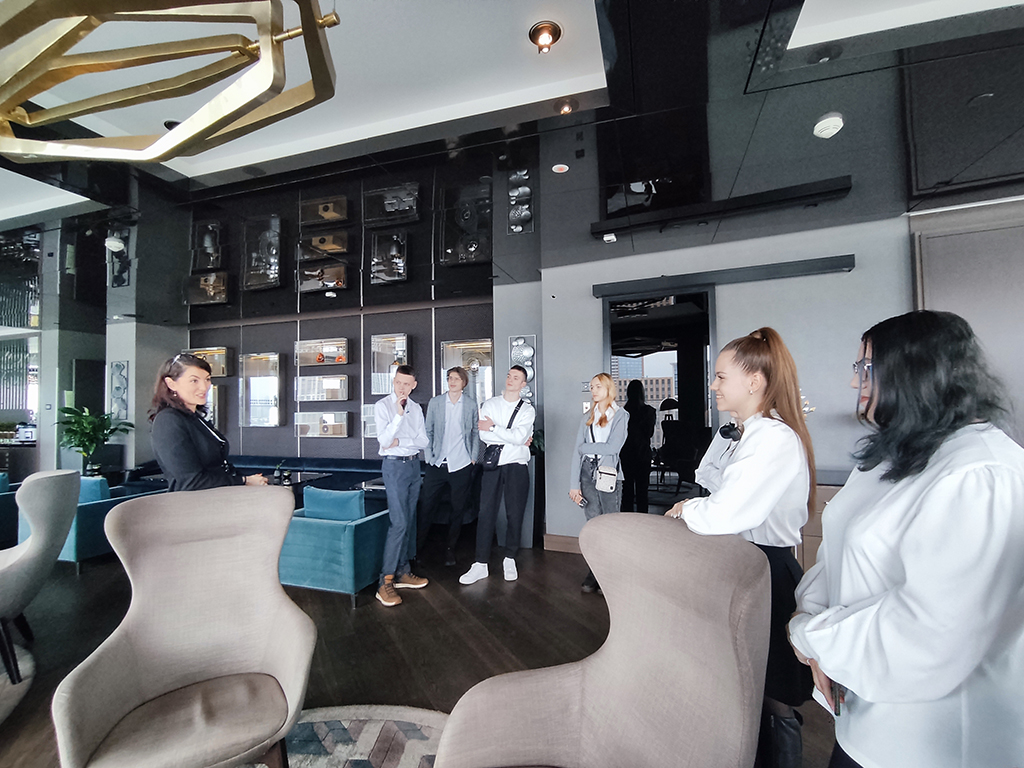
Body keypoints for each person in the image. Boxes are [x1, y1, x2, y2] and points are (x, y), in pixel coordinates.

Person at [788, 310, 1024, 768]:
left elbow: (929, 634)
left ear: (917, 369)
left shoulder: (980, 474)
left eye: (866, 367)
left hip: (930, 742)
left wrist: (812, 637)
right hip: (864, 719)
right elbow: (838, 551)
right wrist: (808, 616)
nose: (854, 382)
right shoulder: (895, 455)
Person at [666, 327, 815, 768]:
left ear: (754, 381)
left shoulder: (772, 437)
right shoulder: (748, 433)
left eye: (721, 377)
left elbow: (728, 512)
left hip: (765, 569)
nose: (713, 385)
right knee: (750, 685)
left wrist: (687, 509)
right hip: (746, 565)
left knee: (772, 690)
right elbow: (715, 485)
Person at [459, 365, 536, 585]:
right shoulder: (490, 404)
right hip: (493, 466)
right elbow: (484, 436)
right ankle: (480, 563)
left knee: (515, 513)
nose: (511, 380)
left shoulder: (527, 410)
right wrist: (509, 435)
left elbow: (519, 437)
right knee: (486, 512)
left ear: (523, 384)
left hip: (517, 465)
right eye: (509, 375)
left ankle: (510, 558)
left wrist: (494, 428)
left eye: (516, 378)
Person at [150, 353, 268, 491]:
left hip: (218, 497)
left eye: (207, 379)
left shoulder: (194, 418)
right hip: (196, 502)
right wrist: (244, 481)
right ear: (171, 384)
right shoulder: (168, 421)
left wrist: (248, 479)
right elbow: (191, 482)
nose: (204, 387)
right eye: (194, 381)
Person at [374, 364, 430, 607]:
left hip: (413, 466)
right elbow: (385, 441)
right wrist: (398, 415)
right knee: (398, 523)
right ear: (393, 381)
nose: (401, 388)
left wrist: (401, 441)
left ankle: (402, 571)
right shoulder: (383, 406)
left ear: (413, 385)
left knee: (409, 519)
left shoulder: (416, 408)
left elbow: (423, 441)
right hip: (394, 467)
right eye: (398, 382)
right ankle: (384, 581)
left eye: (406, 384)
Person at [568, 373, 629, 593]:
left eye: (598, 387)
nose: (593, 390)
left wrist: (585, 448)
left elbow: (613, 448)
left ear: (608, 389)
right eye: (592, 387)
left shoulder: (621, 415)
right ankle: (595, 571)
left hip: (608, 473)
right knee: (593, 523)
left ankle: (611, 573)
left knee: (610, 523)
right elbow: (576, 453)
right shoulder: (587, 416)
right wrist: (573, 484)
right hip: (587, 472)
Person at [417, 366, 480, 567]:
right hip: (437, 463)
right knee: (426, 507)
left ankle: (450, 550)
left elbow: (475, 432)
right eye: (450, 378)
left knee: (457, 509)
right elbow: (428, 430)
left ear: (464, 383)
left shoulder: (470, 404)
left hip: (461, 464)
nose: (452, 382)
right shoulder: (436, 402)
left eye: (456, 378)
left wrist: (473, 457)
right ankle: (417, 549)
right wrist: (428, 456)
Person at [620, 379, 657, 513]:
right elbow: (649, 434)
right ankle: (643, 519)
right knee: (642, 492)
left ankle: (626, 519)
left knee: (627, 491)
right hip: (643, 454)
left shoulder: (622, 413)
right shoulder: (649, 411)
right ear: (642, 393)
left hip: (626, 454)